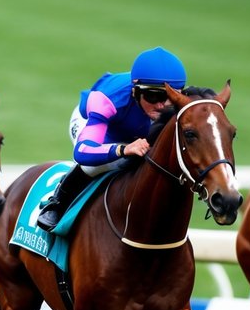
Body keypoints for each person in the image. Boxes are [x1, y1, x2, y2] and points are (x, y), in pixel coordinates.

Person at [35, 47, 185, 232]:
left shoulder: (179, 102)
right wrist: (122, 149)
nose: (162, 105)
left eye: (169, 96)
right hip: (97, 124)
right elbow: (83, 152)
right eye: (153, 96)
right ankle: (58, 202)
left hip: (137, 131)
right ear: (135, 91)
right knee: (100, 165)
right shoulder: (108, 99)